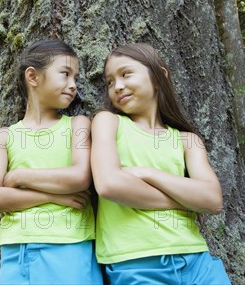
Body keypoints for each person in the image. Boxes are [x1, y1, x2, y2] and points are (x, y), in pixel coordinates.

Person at [91, 43, 231, 284]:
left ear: (158, 76)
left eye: (125, 74)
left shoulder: (188, 140)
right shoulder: (108, 122)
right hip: (135, 261)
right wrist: (186, 203)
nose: (118, 86)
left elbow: (212, 200)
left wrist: (148, 173)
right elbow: (109, 185)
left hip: (196, 260)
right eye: (110, 82)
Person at [0, 39, 102, 285]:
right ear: (33, 77)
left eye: (75, 78)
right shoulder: (3, 137)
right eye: (65, 74)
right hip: (17, 250)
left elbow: (79, 177)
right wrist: (54, 197)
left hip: (70, 245)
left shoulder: (78, 125)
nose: (73, 85)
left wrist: (21, 177)